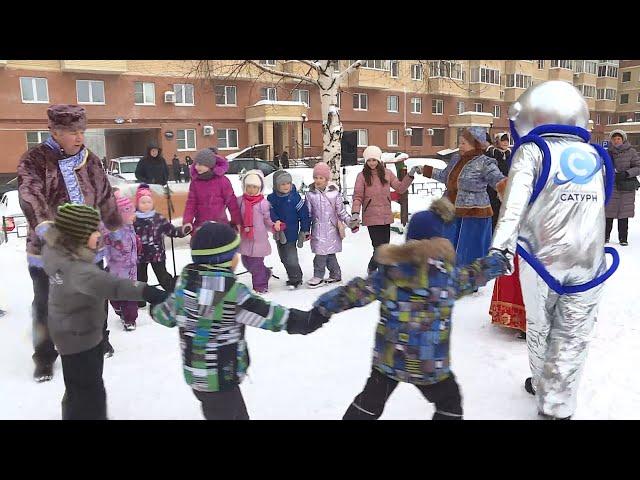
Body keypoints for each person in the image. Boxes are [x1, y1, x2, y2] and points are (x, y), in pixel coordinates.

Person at [313, 198, 509, 420]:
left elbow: (354, 291)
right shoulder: (447, 277)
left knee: (370, 402)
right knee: (449, 402)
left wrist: (321, 308)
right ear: (441, 242)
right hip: (429, 362)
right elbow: (475, 274)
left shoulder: (389, 274)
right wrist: (498, 261)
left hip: (389, 359)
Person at [491, 80, 615, 419]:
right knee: (574, 333)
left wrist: (500, 250)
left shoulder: (531, 151)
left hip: (541, 258)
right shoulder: (597, 155)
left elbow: (513, 207)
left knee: (542, 327)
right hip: (589, 260)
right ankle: (560, 404)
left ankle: (543, 384)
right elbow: (600, 203)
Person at [150, 221, 332, 420]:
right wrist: (306, 321)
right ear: (223, 258)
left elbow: (164, 315)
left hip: (197, 376)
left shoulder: (184, 287)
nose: (237, 257)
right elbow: (269, 315)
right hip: (222, 377)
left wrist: (154, 304)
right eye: (234, 253)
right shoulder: (231, 293)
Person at [17, 104, 121, 382]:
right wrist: (46, 227)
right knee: (45, 304)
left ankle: (98, 340)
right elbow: (29, 195)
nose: (79, 138)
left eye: (82, 131)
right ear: (54, 131)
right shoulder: (35, 160)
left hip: (89, 248)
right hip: (48, 251)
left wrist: (117, 227)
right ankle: (44, 356)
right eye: (72, 132)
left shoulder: (91, 160)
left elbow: (105, 196)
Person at [42, 204, 167, 419]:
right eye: (94, 231)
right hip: (82, 337)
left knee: (76, 388)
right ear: (79, 236)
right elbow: (115, 286)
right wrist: (149, 292)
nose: (99, 234)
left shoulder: (55, 253)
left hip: (67, 332)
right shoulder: (79, 270)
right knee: (90, 392)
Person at [421, 127, 507, 267]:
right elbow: (445, 176)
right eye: (459, 142)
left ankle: (469, 281)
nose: (460, 146)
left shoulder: (485, 162)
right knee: (448, 249)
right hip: (451, 212)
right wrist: (425, 169)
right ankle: (448, 276)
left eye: (464, 143)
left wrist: (506, 189)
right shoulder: (456, 159)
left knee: (468, 253)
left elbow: (497, 179)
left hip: (473, 216)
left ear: (475, 144)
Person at [349, 145, 419, 274]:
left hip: (385, 215)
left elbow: (400, 188)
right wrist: (355, 213)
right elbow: (358, 196)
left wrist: (410, 175)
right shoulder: (362, 176)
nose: (372, 163)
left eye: (374, 160)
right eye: (369, 160)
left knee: (384, 246)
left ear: (379, 160)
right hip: (371, 216)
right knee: (377, 246)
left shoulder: (387, 174)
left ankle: (380, 269)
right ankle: (376, 268)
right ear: (366, 161)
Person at [134, 184, 186, 304]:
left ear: (153, 203)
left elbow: (170, 230)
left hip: (157, 254)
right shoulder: (133, 219)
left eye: (148, 202)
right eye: (143, 202)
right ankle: (140, 300)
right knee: (141, 278)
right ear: (137, 204)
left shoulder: (159, 218)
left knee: (163, 277)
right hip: (139, 256)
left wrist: (181, 231)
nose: (146, 205)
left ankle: (172, 294)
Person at [304, 162, 354, 288]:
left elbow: (341, 212)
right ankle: (332, 274)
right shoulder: (310, 195)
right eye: (316, 177)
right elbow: (307, 213)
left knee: (328, 254)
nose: (318, 180)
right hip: (318, 229)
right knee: (322, 253)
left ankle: (321, 276)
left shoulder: (334, 194)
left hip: (332, 229)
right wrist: (305, 229)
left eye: (321, 178)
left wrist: (350, 222)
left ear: (327, 179)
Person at [102, 191, 141, 331]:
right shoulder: (112, 232)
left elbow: (132, 244)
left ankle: (130, 319)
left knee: (130, 295)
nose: (134, 216)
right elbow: (105, 244)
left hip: (131, 268)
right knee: (116, 295)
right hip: (117, 269)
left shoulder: (130, 228)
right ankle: (119, 309)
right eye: (130, 214)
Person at [267, 170, 311, 289]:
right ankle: (292, 275)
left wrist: (305, 229)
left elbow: (304, 214)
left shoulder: (295, 198)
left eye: (288, 183)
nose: (286, 186)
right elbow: (270, 212)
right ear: (276, 185)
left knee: (291, 257)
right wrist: (276, 220)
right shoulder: (272, 198)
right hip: (279, 233)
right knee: (283, 257)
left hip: (291, 233)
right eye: (283, 184)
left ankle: (296, 278)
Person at [182, 148, 242, 234]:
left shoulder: (222, 181)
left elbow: (232, 203)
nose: (196, 167)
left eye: (200, 164)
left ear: (209, 165)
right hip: (201, 226)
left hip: (220, 225)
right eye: (195, 164)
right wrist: (187, 221)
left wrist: (236, 222)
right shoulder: (195, 182)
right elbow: (190, 204)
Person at [237, 170, 274, 294]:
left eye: (254, 187)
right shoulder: (240, 201)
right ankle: (266, 272)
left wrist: (274, 227)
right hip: (245, 238)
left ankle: (260, 286)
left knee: (256, 265)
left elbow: (268, 220)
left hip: (259, 239)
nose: (251, 189)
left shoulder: (263, 203)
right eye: (249, 186)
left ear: (260, 188)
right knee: (246, 262)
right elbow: (235, 215)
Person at [605, 129, 640, 246]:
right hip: (611, 186)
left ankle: (623, 238)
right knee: (608, 213)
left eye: (618, 138)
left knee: (624, 214)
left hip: (626, 187)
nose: (616, 141)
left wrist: (627, 173)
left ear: (623, 139)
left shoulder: (631, 152)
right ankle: (605, 237)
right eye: (614, 139)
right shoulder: (607, 152)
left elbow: (638, 167)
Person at [485, 133, 512, 231]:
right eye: (503, 140)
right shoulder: (492, 153)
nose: (505, 143)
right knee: (494, 214)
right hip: (493, 189)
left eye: (507, 140)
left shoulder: (511, 154)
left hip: (507, 188)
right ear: (497, 141)